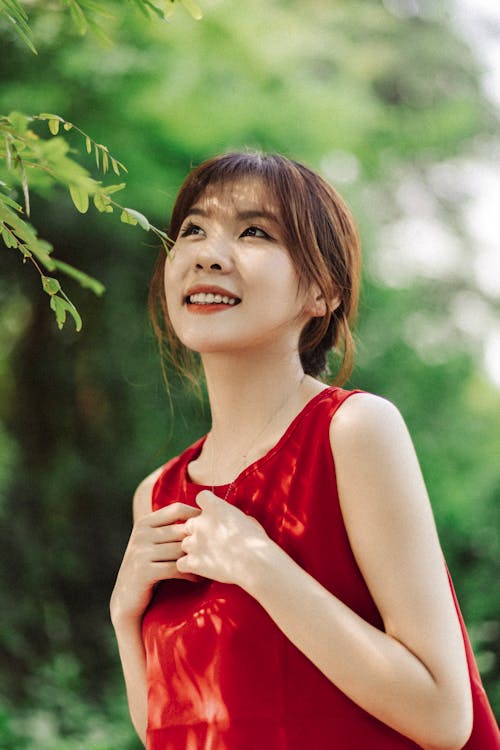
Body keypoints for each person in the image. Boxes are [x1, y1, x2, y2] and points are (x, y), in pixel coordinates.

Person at [110, 152, 499, 750]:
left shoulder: (352, 431)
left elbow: (445, 719)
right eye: (193, 229)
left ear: (322, 292)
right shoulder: (157, 495)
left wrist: (262, 568)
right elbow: (174, 730)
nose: (209, 253)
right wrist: (124, 614)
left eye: (254, 232)